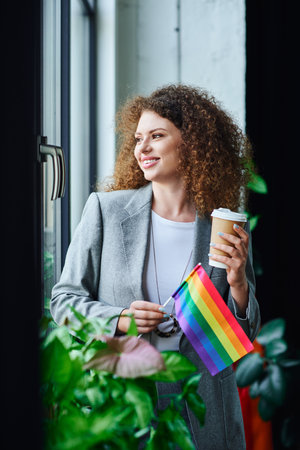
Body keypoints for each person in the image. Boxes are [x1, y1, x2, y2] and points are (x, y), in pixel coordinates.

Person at [51, 84, 260, 449]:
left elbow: (241, 339)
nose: (142, 149)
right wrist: (118, 317)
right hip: (125, 400)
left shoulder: (222, 227)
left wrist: (238, 282)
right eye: (138, 138)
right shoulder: (106, 211)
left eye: (157, 136)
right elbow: (63, 301)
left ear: (191, 143)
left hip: (203, 408)